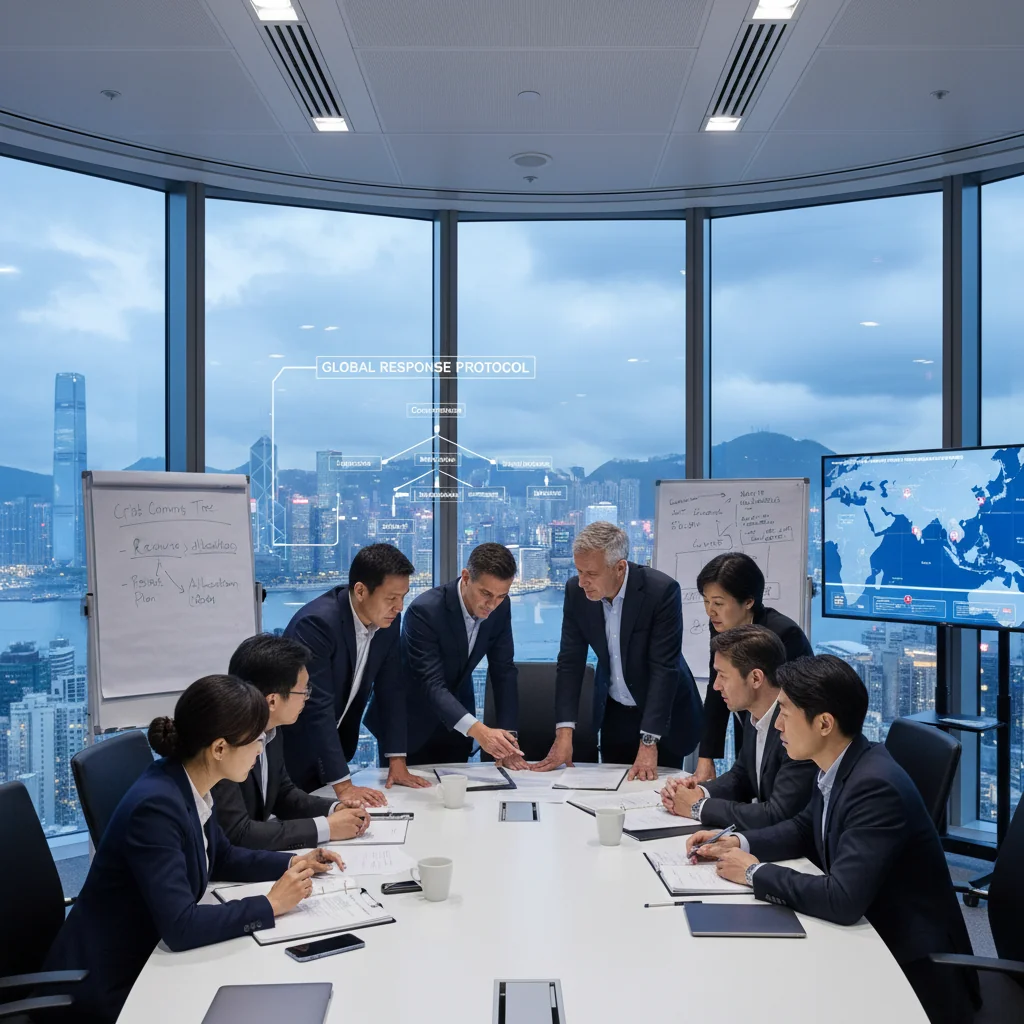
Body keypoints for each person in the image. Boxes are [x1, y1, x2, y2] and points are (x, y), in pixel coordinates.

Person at [686, 655, 978, 1024]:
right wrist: (739, 843)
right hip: (865, 937)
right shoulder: (840, 763)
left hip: (910, 972)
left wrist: (753, 872)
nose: (778, 725)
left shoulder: (875, 787)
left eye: (785, 712)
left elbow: (841, 899)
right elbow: (803, 828)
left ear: (824, 723)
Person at [43, 675, 344, 1024]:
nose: (261, 749)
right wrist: (271, 904)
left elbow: (222, 856)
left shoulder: (187, 781)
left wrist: (293, 862)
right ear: (219, 749)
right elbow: (181, 927)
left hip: (150, 960)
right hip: (111, 986)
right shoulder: (156, 807)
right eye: (256, 740)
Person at [534, 522, 702, 779]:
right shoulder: (576, 592)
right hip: (615, 713)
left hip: (663, 714)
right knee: (613, 788)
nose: (582, 582)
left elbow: (664, 669)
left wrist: (649, 741)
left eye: (591, 573)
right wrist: (564, 734)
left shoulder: (660, 591)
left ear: (620, 568)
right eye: (579, 571)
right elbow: (570, 662)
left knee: (657, 792)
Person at [282, 543, 431, 806]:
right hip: (294, 755)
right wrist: (344, 785)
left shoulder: (387, 621)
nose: (399, 607)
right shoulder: (317, 624)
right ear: (361, 591)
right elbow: (316, 708)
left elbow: (391, 689)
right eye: (391, 598)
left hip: (335, 752)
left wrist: (397, 761)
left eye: (403, 597)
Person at [212, 634, 372, 850]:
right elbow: (238, 832)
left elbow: (283, 795)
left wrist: (335, 809)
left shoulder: (272, 729)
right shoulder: (225, 742)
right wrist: (326, 828)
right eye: (303, 691)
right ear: (272, 700)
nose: (307, 697)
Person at [661, 624, 816, 829]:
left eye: (723, 675)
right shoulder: (754, 713)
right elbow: (741, 777)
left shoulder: (795, 726)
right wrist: (700, 791)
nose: (716, 686)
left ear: (755, 678)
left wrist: (697, 807)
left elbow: (778, 814)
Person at [395, 542, 524, 766]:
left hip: (459, 727)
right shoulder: (424, 611)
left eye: (501, 595)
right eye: (486, 593)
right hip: (410, 725)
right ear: (466, 577)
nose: (492, 604)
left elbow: (503, 670)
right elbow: (431, 684)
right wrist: (480, 731)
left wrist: (509, 739)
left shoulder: (501, 607)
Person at [693, 551, 812, 784]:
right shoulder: (721, 625)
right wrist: (706, 757)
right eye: (706, 601)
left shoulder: (784, 635)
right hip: (750, 729)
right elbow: (717, 689)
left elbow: (796, 706)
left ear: (748, 601)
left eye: (718, 603)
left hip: (788, 741)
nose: (710, 611)